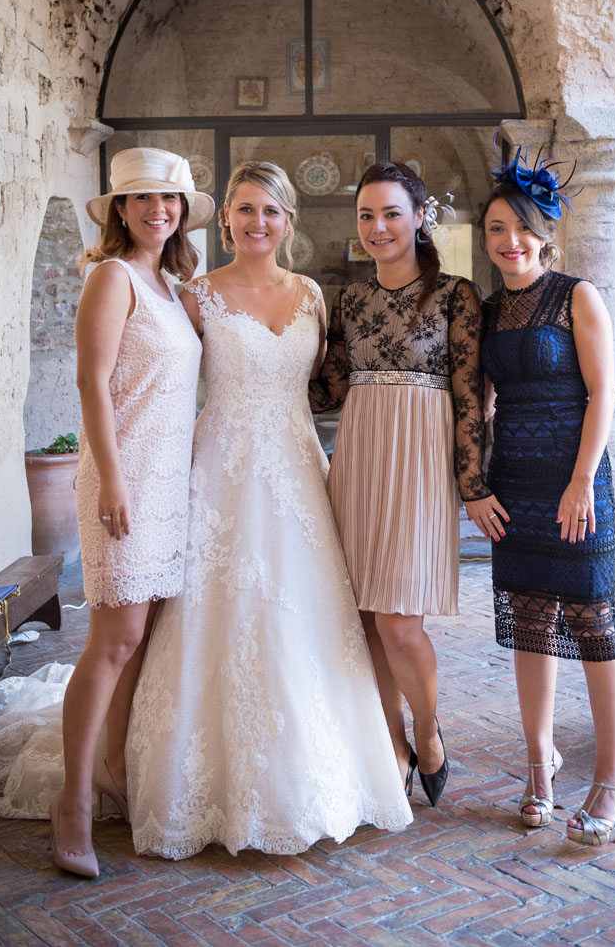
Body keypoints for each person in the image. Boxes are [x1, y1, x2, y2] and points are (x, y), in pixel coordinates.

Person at [124, 160, 412, 857]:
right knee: (219, 610)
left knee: (304, 614)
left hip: (298, 472)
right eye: (246, 209)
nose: (258, 223)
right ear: (225, 217)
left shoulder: (314, 296)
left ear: (289, 221)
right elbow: (158, 379)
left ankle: (323, 771)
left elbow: (335, 385)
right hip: (219, 473)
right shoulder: (195, 296)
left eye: (271, 212)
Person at [467, 133, 615, 846]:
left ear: (545, 233)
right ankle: (540, 764)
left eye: (520, 228)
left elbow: (605, 395)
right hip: (516, 486)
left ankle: (612, 779)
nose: (510, 242)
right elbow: (479, 403)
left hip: (575, 486)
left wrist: (580, 484)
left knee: (594, 626)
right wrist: (474, 483)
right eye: (496, 230)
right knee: (529, 625)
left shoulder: (577, 297)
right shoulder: (485, 310)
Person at [51, 146, 214, 877]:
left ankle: (116, 770)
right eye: (143, 199)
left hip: (168, 485)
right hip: (123, 483)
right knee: (112, 641)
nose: (158, 211)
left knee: (140, 640)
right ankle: (73, 801)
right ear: (120, 209)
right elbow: (90, 383)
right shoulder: (111, 278)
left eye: (170, 201)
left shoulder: (171, 286)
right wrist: (112, 479)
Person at [309, 161, 489, 807]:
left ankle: (428, 731)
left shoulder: (456, 297)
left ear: (419, 218)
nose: (378, 227)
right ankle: (391, 744)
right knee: (364, 618)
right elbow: (327, 388)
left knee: (400, 621)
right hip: (359, 456)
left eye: (390, 213)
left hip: (419, 461)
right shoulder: (349, 301)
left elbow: (470, 397)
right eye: (366, 216)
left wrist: (472, 482)